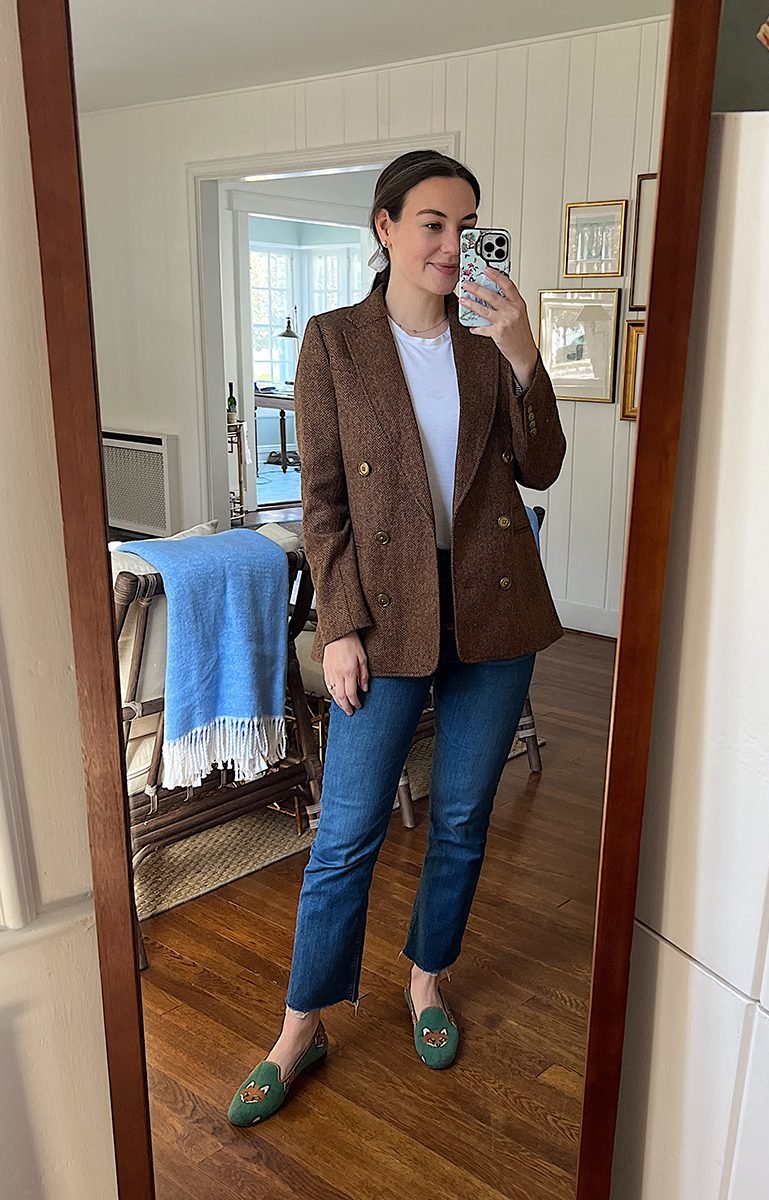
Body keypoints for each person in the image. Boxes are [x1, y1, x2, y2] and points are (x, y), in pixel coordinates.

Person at [228, 149, 567, 1126]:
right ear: (384, 227)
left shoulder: (487, 341)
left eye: (467, 225)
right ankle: (300, 1026)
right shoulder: (334, 342)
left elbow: (541, 466)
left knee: (461, 818)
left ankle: (426, 980)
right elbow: (323, 501)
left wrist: (523, 353)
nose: (452, 244)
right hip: (384, 621)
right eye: (432, 223)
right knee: (345, 834)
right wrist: (338, 626)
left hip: (494, 614)